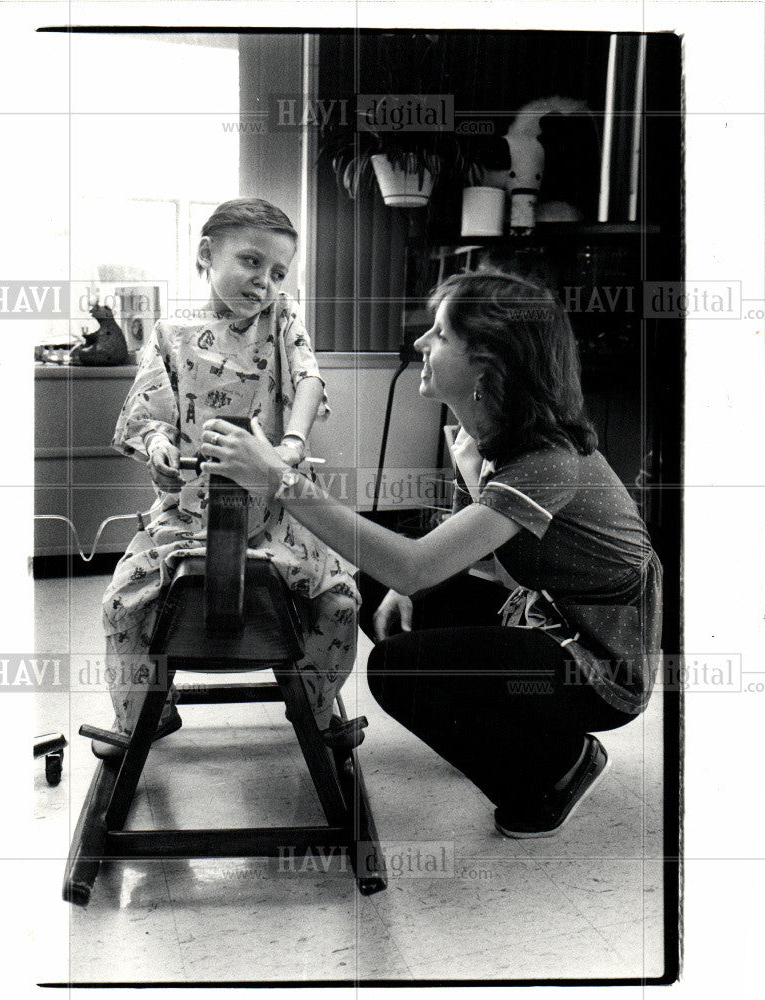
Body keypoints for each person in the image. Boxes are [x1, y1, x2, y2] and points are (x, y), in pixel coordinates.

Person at [204, 269, 663, 839]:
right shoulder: (486, 437)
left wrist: (278, 479)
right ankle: (515, 730)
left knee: (402, 669)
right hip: (543, 612)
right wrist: (406, 583)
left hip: (600, 662)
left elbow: (414, 563)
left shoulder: (550, 460)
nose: (422, 344)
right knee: (377, 593)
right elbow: (452, 559)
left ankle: (558, 767)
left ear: (489, 364)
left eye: (441, 334)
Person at [98, 198, 360, 756]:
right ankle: (145, 715)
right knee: (122, 603)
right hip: (187, 518)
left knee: (340, 600)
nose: (264, 282)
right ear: (205, 256)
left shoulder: (282, 319)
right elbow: (146, 418)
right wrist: (159, 446)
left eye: (278, 273)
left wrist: (291, 442)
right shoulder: (172, 334)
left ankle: (315, 711)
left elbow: (310, 379)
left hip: (272, 519)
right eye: (250, 262)